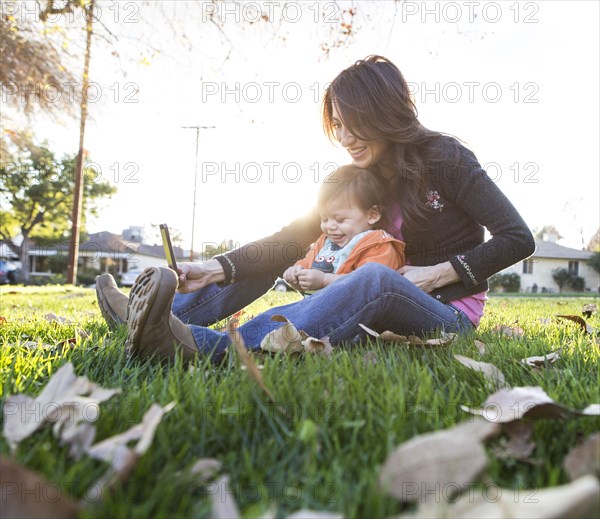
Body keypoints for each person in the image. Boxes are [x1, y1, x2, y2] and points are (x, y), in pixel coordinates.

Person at [96, 55, 535, 362]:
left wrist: (434, 274)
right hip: (380, 293)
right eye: (337, 125)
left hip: (445, 312)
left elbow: (518, 238)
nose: (344, 138)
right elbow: (292, 239)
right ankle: (161, 318)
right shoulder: (360, 179)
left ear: (383, 113)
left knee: (376, 279)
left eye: (352, 123)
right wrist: (215, 267)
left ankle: (211, 349)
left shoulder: (446, 159)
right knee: (286, 257)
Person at [282, 164, 405, 293]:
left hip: (357, 312)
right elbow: (307, 264)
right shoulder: (325, 242)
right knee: (276, 313)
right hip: (321, 308)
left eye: (340, 220)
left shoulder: (378, 246)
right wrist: (296, 275)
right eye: (324, 219)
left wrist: (324, 280)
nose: (329, 226)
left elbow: (368, 285)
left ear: (372, 215)